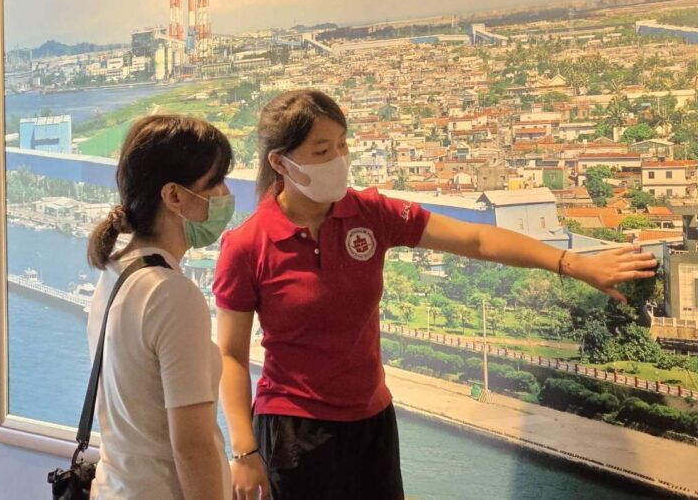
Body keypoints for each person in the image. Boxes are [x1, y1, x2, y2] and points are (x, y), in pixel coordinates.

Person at [212, 89, 659, 500]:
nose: (339, 159)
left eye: (343, 145)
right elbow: (231, 354)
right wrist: (244, 451)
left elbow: (477, 239)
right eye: (322, 151)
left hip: (372, 421)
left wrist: (571, 263)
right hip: (294, 430)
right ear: (280, 163)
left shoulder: (370, 213)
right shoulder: (248, 245)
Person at [86, 114, 235, 499]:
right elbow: (192, 445)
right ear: (174, 196)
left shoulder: (115, 271)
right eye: (215, 181)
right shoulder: (171, 294)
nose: (225, 193)